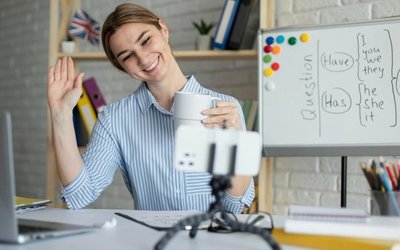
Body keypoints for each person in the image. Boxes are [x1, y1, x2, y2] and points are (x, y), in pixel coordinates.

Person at [47, 3, 254, 213]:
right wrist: (60, 114)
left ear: (163, 29)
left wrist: (236, 144)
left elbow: (236, 204)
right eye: (127, 56)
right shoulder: (115, 119)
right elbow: (79, 195)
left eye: (146, 40)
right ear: (122, 67)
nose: (143, 59)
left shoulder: (226, 108)